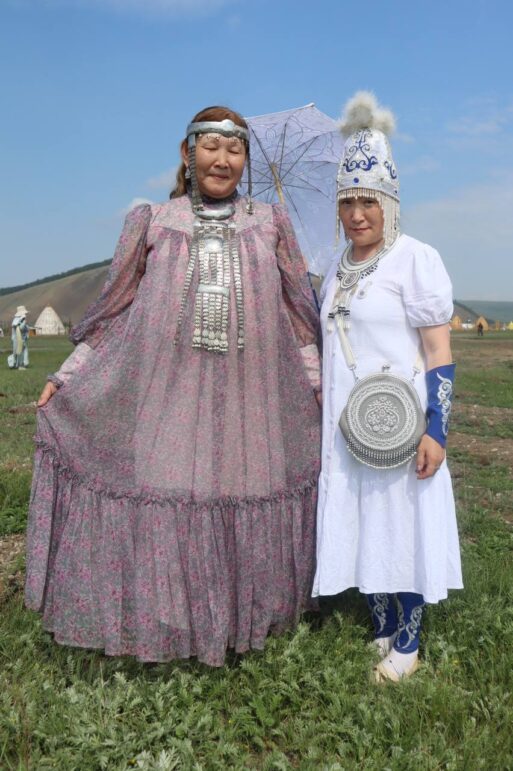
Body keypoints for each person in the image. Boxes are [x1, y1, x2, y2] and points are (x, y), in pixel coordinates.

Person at [25, 106, 321, 666]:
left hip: (250, 398)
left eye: (234, 149)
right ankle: (169, 619)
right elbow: (114, 310)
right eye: (211, 147)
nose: (222, 159)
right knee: (169, 489)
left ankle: (244, 618)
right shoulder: (154, 222)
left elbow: (298, 314)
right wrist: (67, 377)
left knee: (244, 488)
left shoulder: (270, 223)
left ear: (246, 160)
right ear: (188, 154)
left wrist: (315, 381)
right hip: (169, 394)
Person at [312, 93, 462, 682]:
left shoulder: (415, 260)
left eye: (368, 201)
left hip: (402, 424)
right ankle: (379, 621)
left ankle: (408, 637)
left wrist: (437, 430)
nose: (356, 214)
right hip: (348, 428)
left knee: (402, 521)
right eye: (347, 201)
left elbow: (439, 351)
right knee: (363, 517)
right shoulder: (334, 266)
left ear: (390, 202)